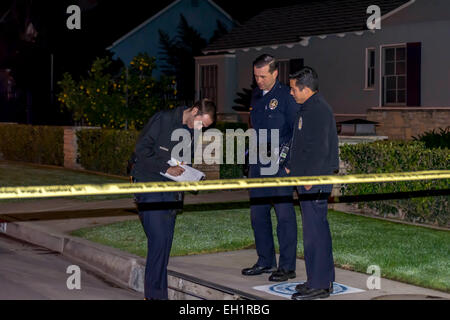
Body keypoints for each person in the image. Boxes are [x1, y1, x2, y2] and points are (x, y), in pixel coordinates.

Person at [130, 99, 216, 300]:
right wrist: (166, 167)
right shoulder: (163, 119)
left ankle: (160, 294)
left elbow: (186, 157)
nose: (200, 129)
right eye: (200, 123)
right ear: (194, 111)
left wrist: (186, 167)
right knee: (158, 240)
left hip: (172, 189)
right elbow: (141, 151)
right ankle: (153, 296)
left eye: (204, 127)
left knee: (165, 242)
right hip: (149, 184)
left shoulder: (192, 131)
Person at [241, 54, 299, 282]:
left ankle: (287, 267)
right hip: (258, 162)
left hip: (279, 164)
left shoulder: (287, 96)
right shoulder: (255, 95)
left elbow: (298, 131)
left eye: (263, 76)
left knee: (284, 217)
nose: (259, 81)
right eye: (256, 76)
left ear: (275, 73)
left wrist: (289, 165)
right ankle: (265, 261)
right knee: (258, 215)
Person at [286, 67, 339, 300]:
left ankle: (320, 284)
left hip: (315, 181)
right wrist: (291, 165)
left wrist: (310, 178)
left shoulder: (317, 110)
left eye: (293, 89)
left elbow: (320, 149)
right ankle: (317, 279)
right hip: (307, 179)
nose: (291, 93)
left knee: (315, 232)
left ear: (305, 89)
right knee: (314, 230)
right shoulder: (308, 108)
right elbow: (302, 143)